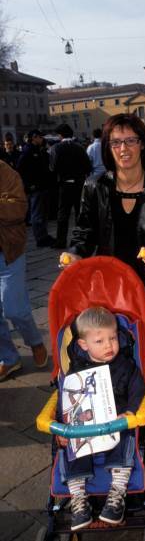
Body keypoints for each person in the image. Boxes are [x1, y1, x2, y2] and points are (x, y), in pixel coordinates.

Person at [60, 113, 145, 329]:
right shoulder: (94, 186)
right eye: (115, 142)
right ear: (107, 147)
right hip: (110, 283)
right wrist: (75, 251)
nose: (123, 149)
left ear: (142, 144)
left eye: (130, 141)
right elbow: (84, 229)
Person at [56, 306, 145, 530]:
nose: (109, 345)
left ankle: (117, 491)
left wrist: (130, 412)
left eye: (113, 338)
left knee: (126, 433)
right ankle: (79, 498)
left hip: (116, 425)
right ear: (83, 345)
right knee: (70, 443)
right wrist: (61, 427)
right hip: (85, 430)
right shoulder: (75, 373)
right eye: (100, 341)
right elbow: (64, 402)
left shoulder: (126, 366)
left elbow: (138, 391)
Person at [0, 161, 48, 381]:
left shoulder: (4, 171)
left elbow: (19, 207)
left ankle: (35, 342)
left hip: (8, 251)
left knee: (15, 310)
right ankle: (9, 359)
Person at [49, 124, 92, 249]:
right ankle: (80, 240)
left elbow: (53, 167)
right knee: (80, 212)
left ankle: (61, 241)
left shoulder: (56, 148)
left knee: (63, 213)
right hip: (79, 183)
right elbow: (88, 167)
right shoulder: (79, 147)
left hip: (65, 184)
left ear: (60, 135)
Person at [17, 129, 55, 248]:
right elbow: (20, 169)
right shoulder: (28, 151)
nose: (42, 139)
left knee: (43, 214)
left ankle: (44, 236)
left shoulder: (39, 150)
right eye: (40, 137)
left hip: (43, 186)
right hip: (36, 188)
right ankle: (40, 238)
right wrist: (30, 185)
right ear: (34, 137)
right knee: (37, 214)